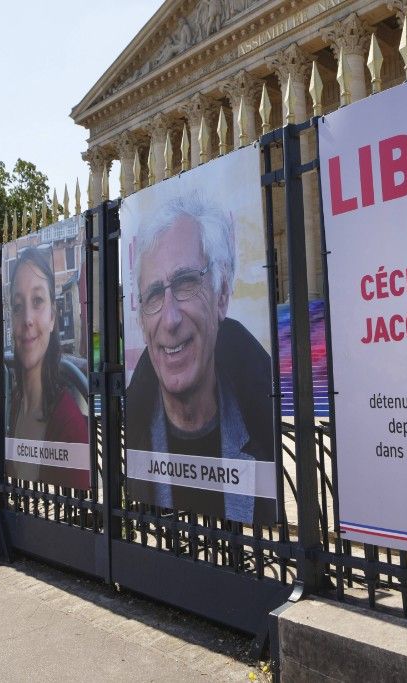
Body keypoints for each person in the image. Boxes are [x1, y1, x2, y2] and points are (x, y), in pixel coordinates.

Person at [125, 194, 275, 524]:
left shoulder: (267, 432)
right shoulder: (133, 439)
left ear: (222, 294)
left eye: (186, 282)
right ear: (141, 320)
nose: (170, 319)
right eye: (153, 294)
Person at [8, 245, 88, 444]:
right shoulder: (17, 401)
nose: (27, 319)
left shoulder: (69, 424)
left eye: (37, 300)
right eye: (18, 306)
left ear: (52, 316)